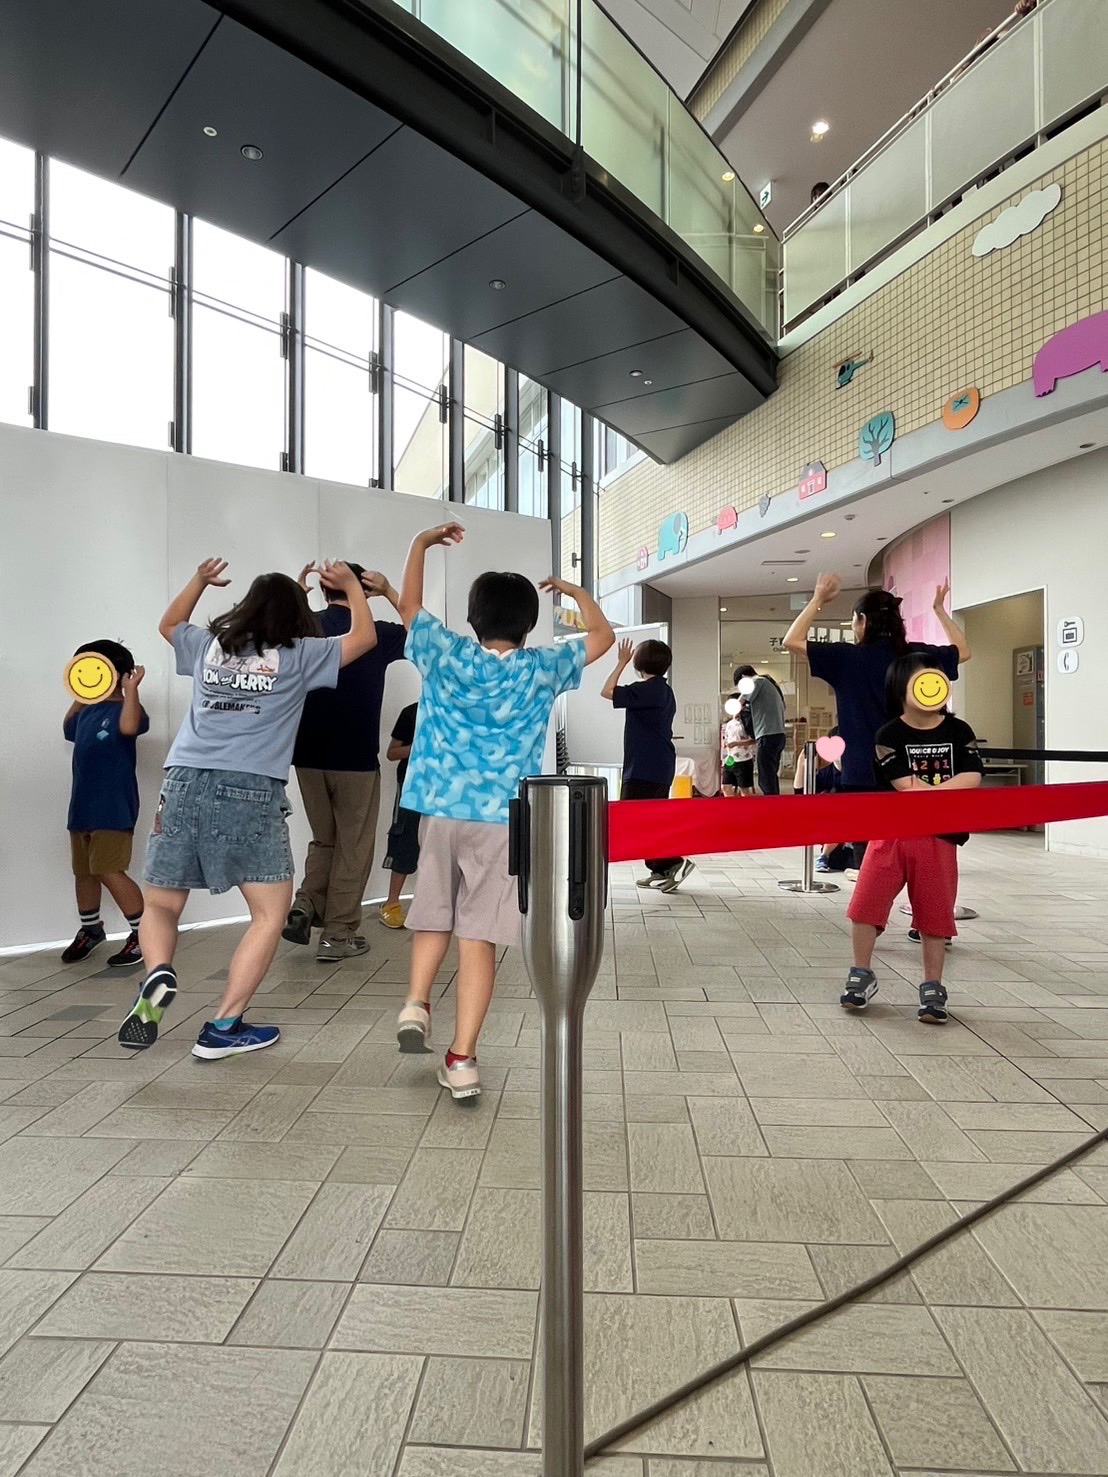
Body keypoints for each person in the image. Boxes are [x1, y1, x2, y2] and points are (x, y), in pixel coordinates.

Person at [117, 557, 375, 1059]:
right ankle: (223, 1027)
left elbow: (169, 624)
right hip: (250, 787)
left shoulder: (210, 645)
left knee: (162, 904)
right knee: (269, 913)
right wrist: (350, 588)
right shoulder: (299, 653)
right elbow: (362, 638)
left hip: (183, 781)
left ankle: (157, 974)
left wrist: (198, 580)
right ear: (298, 615)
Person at [393, 523, 614, 1101]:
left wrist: (421, 544)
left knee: (432, 914)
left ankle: (416, 1003)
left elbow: (408, 605)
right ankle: (462, 1059)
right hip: (501, 821)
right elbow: (604, 636)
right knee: (480, 938)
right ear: (527, 624)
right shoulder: (541, 667)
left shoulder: (446, 653)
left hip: (440, 810)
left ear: (473, 618)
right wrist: (574, 592)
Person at [784, 576, 971, 872]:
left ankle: (871, 897)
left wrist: (818, 599)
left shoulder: (846, 658)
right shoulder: (916, 656)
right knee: (915, 849)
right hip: (911, 772)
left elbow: (791, 640)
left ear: (862, 621)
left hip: (862, 772)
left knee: (869, 860)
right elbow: (963, 650)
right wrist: (939, 609)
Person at [842, 654, 983, 1023]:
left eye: (935, 679)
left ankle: (933, 987)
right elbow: (904, 785)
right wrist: (939, 795)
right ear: (900, 688)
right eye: (921, 680)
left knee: (934, 914)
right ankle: (861, 974)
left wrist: (930, 795)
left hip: (941, 838)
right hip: (890, 834)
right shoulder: (888, 735)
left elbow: (972, 777)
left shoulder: (959, 731)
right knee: (866, 905)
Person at [283, 563, 407, 962]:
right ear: (361, 590)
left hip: (306, 755)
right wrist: (388, 590)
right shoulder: (378, 633)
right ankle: (338, 934)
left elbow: (279, 633)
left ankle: (306, 903)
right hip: (355, 759)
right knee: (353, 847)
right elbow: (422, 634)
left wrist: (297, 597)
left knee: (325, 839)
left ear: (322, 592)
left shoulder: (305, 628)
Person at [61, 639, 149, 967]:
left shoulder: (127, 710)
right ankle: (90, 928)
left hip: (113, 807)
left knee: (109, 869)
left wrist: (130, 689)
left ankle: (144, 933)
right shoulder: (87, 712)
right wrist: (80, 694)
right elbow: (68, 729)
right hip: (82, 807)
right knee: (84, 871)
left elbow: (129, 726)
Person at [603, 638, 694, 893]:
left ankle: (673, 862)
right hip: (656, 765)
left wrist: (620, 662)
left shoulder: (646, 690)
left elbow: (607, 691)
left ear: (639, 663)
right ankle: (659, 869)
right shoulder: (663, 690)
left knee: (635, 820)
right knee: (650, 818)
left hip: (645, 767)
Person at [380, 698, 420, 929]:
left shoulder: (459, 711)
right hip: (412, 788)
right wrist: (421, 747)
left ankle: (445, 904)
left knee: (444, 847)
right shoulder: (411, 712)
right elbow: (392, 753)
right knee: (405, 841)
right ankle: (391, 904)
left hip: (448, 792)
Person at [733, 664, 787, 795]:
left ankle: (771, 805)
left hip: (768, 735)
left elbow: (741, 700)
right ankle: (775, 802)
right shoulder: (770, 684)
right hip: (778, 735)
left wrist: (735, 711)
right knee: (770, 775)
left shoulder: (757, 681)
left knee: (765, 778)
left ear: (744, 677)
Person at [721, 693, 756, 798]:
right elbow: (726, 738)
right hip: (730, 759)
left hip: (744, 760)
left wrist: (737, 743)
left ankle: (746, 807)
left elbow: (753, 740)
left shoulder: (747, 722)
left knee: (744, 789)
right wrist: (725, 744)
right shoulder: (729, 723)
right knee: (725, 786)